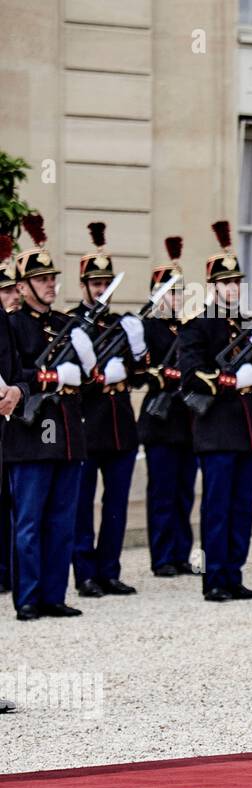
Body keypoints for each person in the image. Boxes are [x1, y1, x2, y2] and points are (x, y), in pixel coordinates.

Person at [178, 221, 252, 602]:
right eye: (226, 282)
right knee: (216, 509)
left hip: (248, 428)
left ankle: (233, 573)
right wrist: (232, 380)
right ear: (213, 286)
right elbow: (192, 376)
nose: (233, 288)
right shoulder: (197, 325)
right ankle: (213, 578)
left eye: (237, 281)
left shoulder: (248, 324)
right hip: (216, 430)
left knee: (242, 508)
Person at [4, 214, 94, 620]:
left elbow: (88, 378)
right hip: (30, 432)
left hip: (69, 431)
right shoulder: (10, 325)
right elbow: (12, 375)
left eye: (52, 279)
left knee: (62, 520)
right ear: (21, 287)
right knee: (28, 521)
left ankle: (54, 595)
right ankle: (27, 597)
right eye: (40, 280)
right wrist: (53, 375)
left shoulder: (68, 324)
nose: (50, 285)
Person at [69, 222, 147, 598]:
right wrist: (97, 377)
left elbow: (142, 373)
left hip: (120, 423)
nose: (101, 290)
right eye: (95, 284)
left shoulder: (123, 323)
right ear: (83, 286)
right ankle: (84, 573)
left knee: (116, 503)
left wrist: (137, 353)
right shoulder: (68, 324)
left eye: (106, 283)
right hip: (86, 423)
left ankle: (109, 569)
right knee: (82, 504)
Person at [138, 236, 199, 577]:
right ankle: (162, 556)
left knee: (184, 493)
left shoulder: (188, 329)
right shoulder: (147, 328)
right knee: (162, 491)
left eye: (178, 292)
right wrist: (162, 374)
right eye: (168, 292)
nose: (174, 299)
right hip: (159, 419)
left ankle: (180, 553)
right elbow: (139, 370)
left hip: (186, 420)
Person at [0, 236, 27, 598]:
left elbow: (21, 370)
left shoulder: (7, 323)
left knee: (9, 503)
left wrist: (18, 390)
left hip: (8, 425)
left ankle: (6, 572)